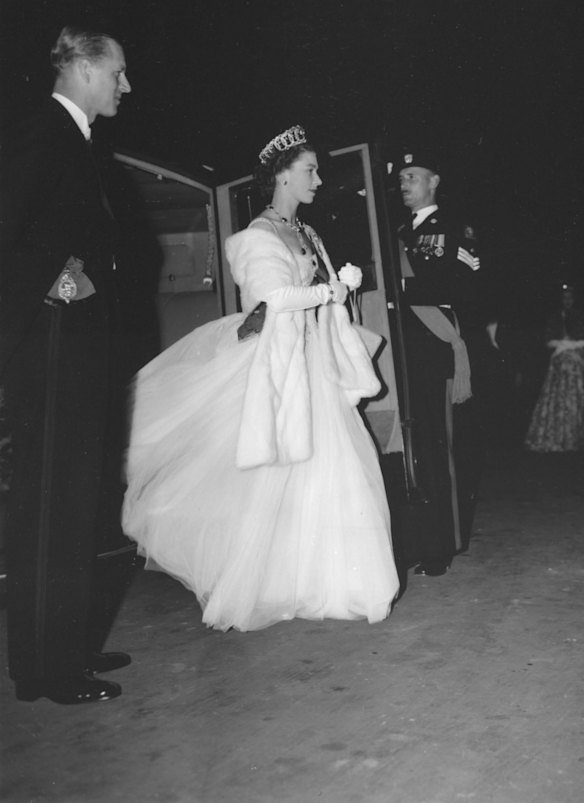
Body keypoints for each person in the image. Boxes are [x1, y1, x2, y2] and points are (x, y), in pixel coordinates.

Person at [122, 125, 400, 631]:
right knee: (277, 469)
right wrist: (331, 290)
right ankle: (272, 582)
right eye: (309, 170)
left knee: (326, 464)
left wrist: (338, 291)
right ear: (282, 176)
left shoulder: (306, 232)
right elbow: (273, 299)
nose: (318, 179)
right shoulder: (256, 236)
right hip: (280, 362)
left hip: (310, 357)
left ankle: (328, 580)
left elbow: (313, 290)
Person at [0, 25, 132, 703]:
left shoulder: (76, 139)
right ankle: (46, 669)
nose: (125, 86)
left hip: (74, 345)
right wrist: (60, 294)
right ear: (82, 69)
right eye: (117, 73)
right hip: (51, 345)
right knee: (51, 504)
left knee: (75, 499)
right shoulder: (41, 132)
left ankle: (67, 645)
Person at [389, 149, 483, 576]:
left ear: (434, 181)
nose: (405, 183)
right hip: (402, 341)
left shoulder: (453, 229)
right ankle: (417, 539)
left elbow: (461, 285)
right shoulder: (393, 231)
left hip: (434, 338)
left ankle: (443, 543)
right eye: (402, 177)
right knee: (413, 446)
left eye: (413, 175)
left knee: (438, 445)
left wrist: (408, 286)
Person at [525, 285, 584, 452]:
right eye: (564, 298)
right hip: (559, 365)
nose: (567, 301)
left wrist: (569, 345)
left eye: (570, 298)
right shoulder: (554, 318)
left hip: (577, 364)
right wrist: (562, 345)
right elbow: (548, 341)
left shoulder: (580, 317)